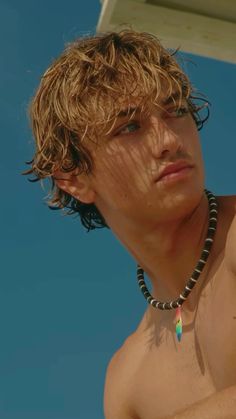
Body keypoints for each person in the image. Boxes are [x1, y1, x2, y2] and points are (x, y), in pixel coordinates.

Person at [23, 30, 236, 418]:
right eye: (130, 127)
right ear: (74, 178)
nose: (169, 139)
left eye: (176, 110)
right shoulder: (127, 381)